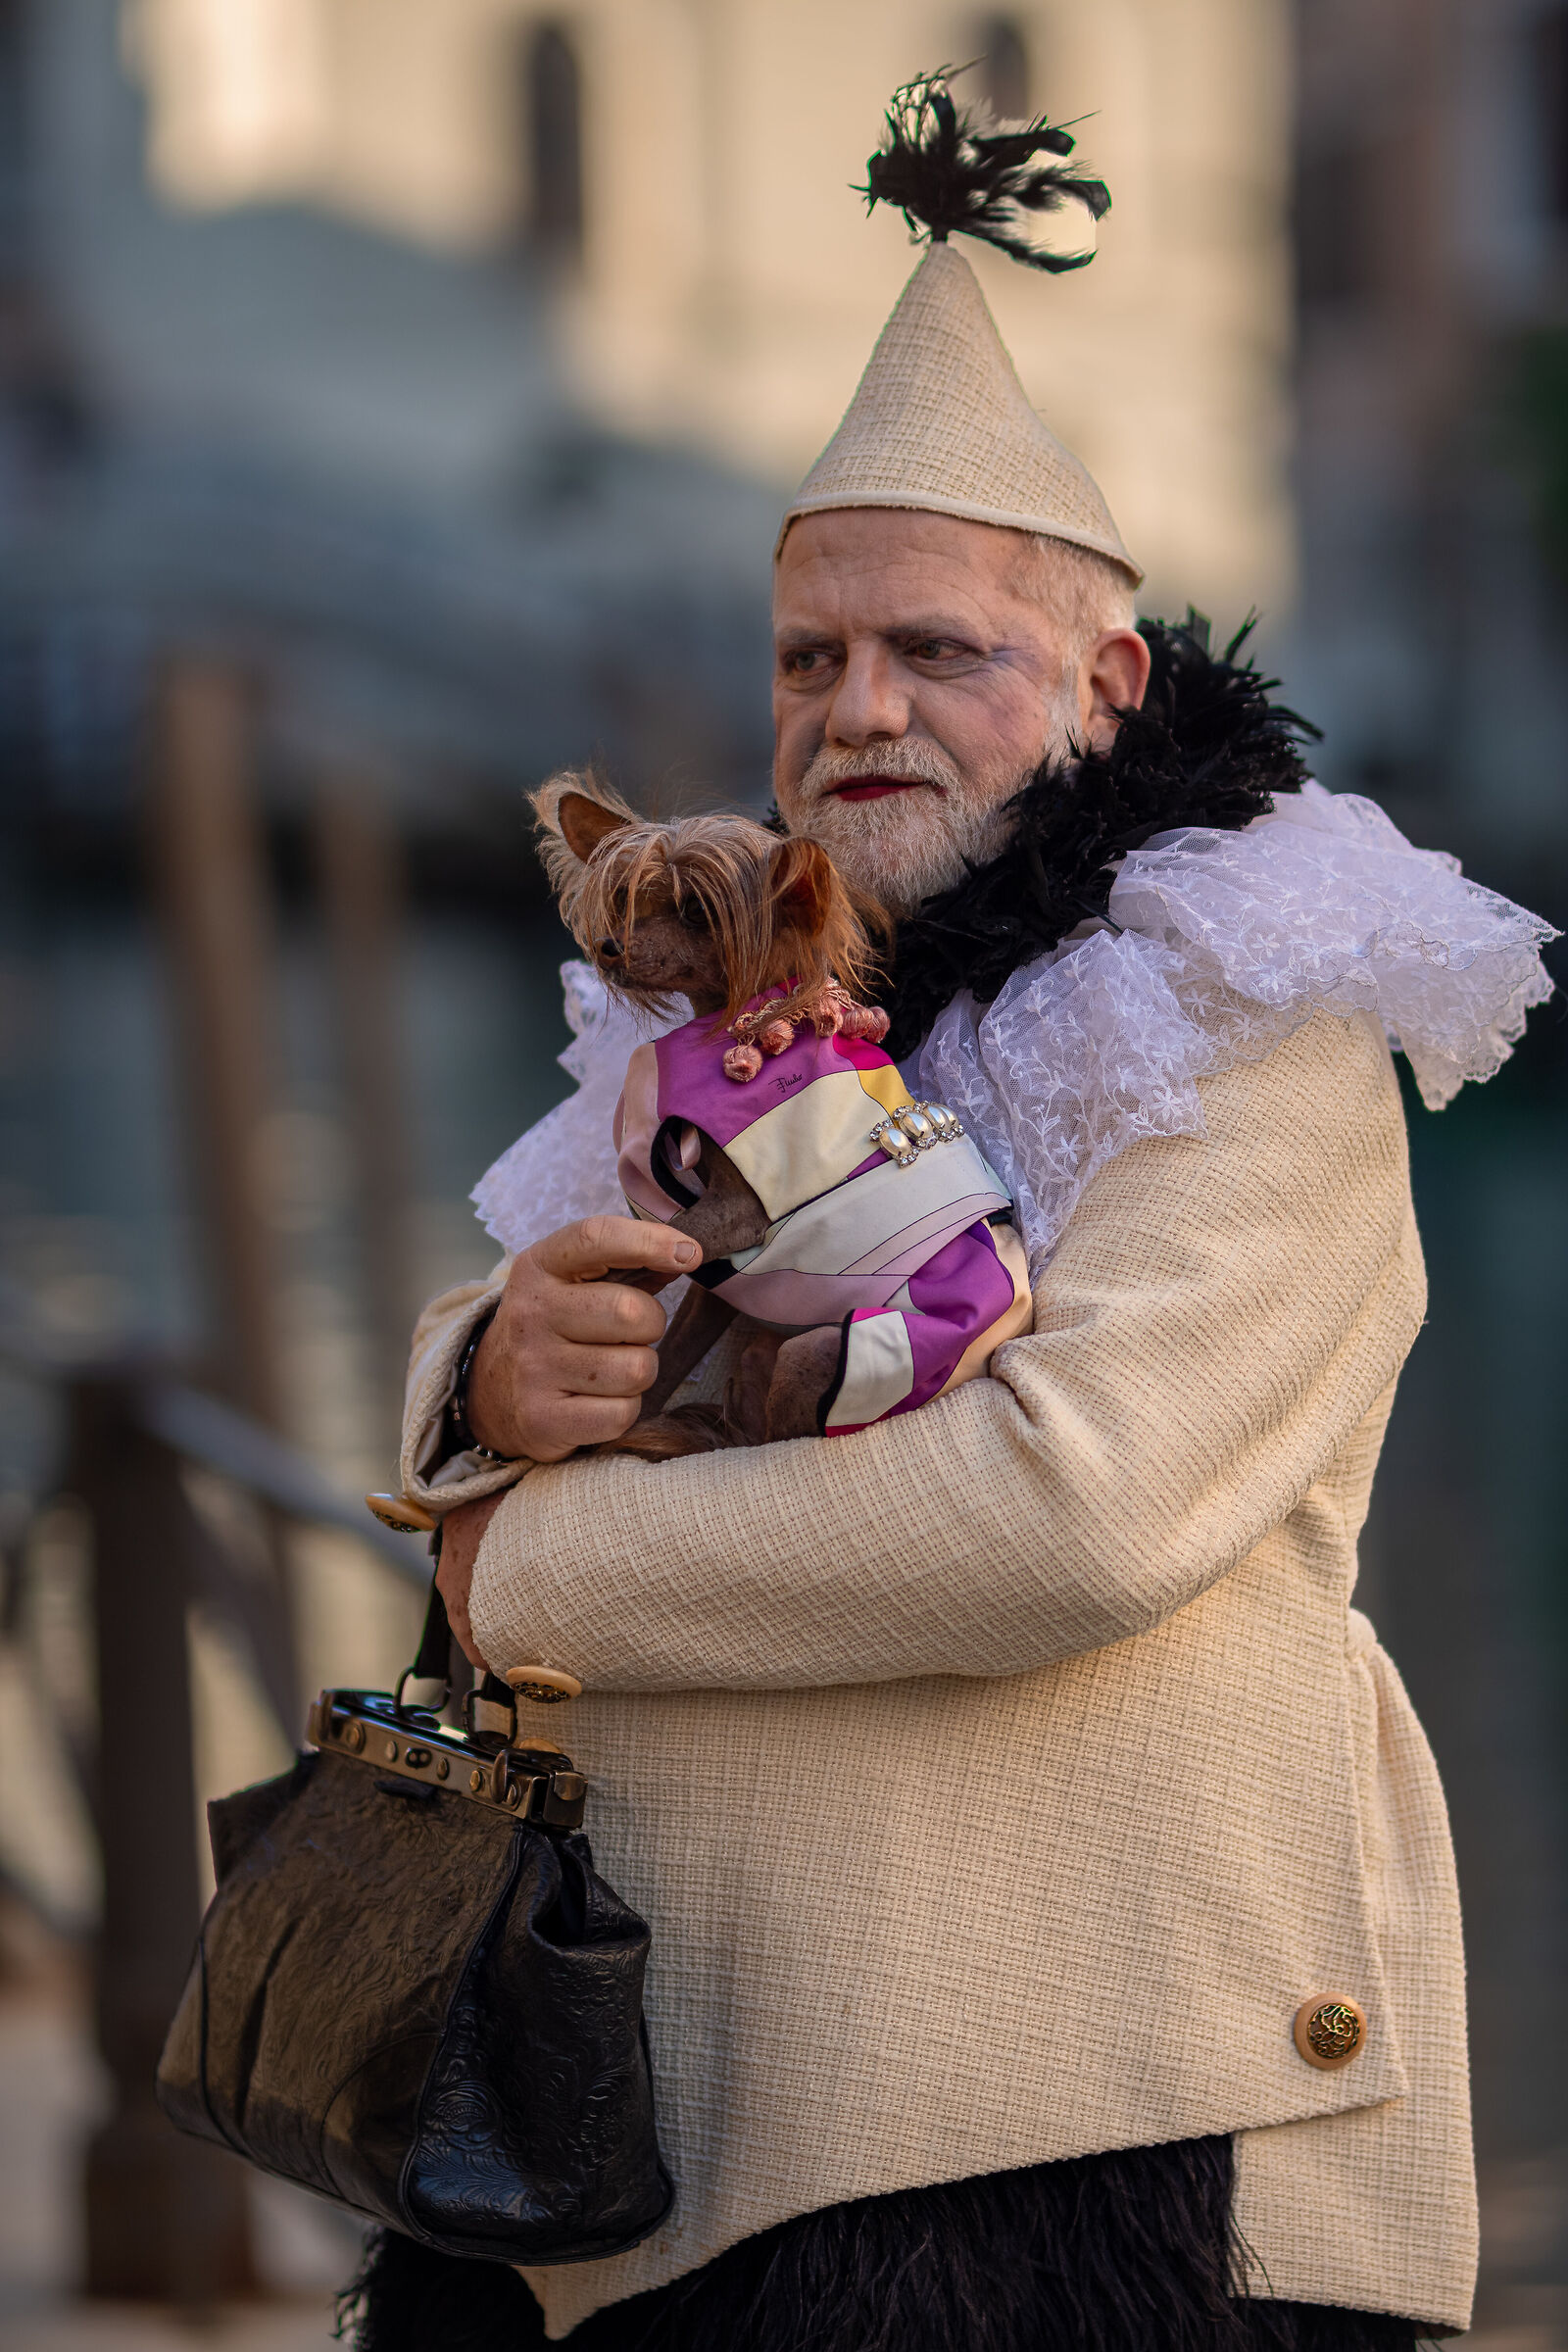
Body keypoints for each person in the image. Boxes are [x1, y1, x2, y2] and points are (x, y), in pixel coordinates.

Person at [367, 74, 1555, 2352]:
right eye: (811, 657)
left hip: (1062, 2135)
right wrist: (486, 1373)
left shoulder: (1246, 990)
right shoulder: (731, 993)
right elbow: (548, 1327)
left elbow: (1070, 1513)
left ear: (1102, 686)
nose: (855, 709)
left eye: (936, 652)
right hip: (663, 2112)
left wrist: (518, 1559)